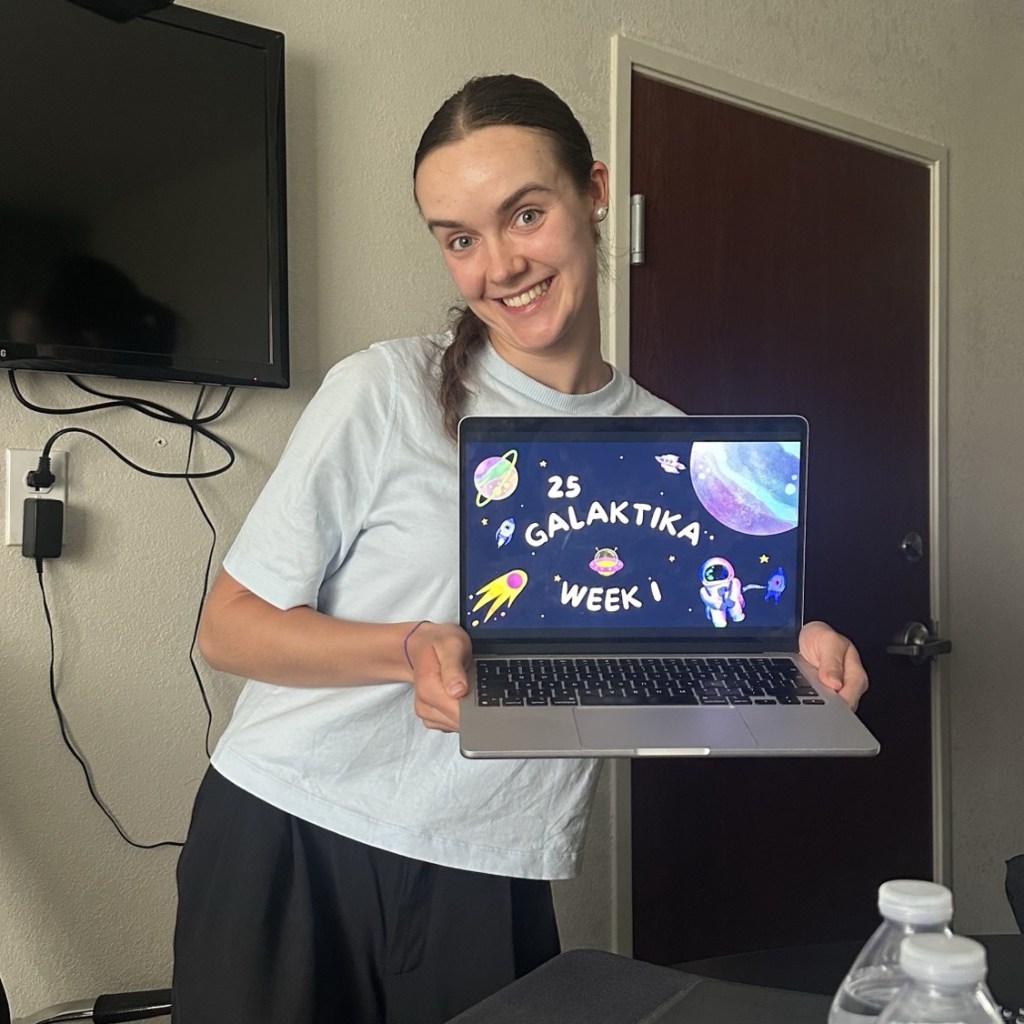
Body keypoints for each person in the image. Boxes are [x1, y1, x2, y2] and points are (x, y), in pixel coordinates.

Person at [171, 74, 869, 1024]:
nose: (499, 265)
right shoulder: (385, 390)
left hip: (491, 862)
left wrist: (791, 646)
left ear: (594, 192)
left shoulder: (672, 445)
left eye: (525, 214)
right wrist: (410, 647)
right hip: (290, 834)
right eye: (459, 238)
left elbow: (674, 638)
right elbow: (228, 629)